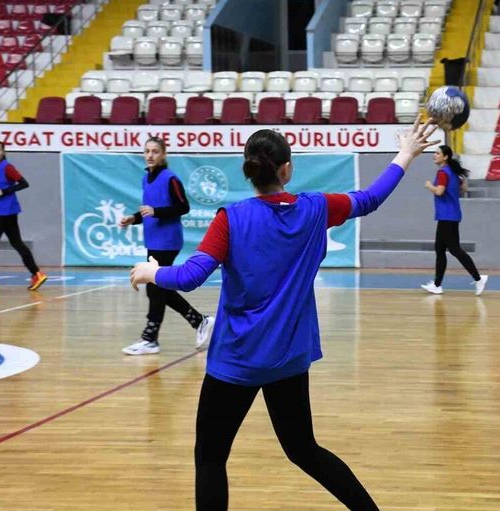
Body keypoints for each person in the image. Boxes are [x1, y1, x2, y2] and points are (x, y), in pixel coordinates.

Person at [129, 119, 440, 511]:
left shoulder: (232, 218)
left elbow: (191, 277)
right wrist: (405, 154)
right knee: (303, 449)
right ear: (286, 169)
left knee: (210, 457)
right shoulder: (315, 208)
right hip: (288, 359)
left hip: (237, 360)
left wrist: (152, 271)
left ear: (248, 170)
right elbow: (369, 198)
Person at [119, 137, 214, 356]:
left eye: (155, 151)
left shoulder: (171, 179)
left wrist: (157, 212)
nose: (150, 155)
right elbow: (148, 211)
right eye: (147, 151)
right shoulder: (146, 179)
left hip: (168, 241)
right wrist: (134, 218)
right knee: (160, 288)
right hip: (153, 240)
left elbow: (183, 207)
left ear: (163, 154)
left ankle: (150, 338)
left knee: (154, 288)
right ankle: (200, 321)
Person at [421, 145, 488, 295]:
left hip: (447, 216)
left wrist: (429, 186)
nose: (434, 155)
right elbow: (464, 188)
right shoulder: (452, 172)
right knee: (440, 249)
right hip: (449, 216)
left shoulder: (443, 172)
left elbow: (439, 191)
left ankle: (478, 278)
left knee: (454, 249)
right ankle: (437, 285)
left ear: (445, 157)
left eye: (437, 153)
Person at [0, 141, 47, 291]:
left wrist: (3, 191)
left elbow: (23, 183)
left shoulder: (7, 167)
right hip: (1, 211)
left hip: (3, 212)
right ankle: (36, 273)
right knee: (17, 242)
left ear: (3, 152)